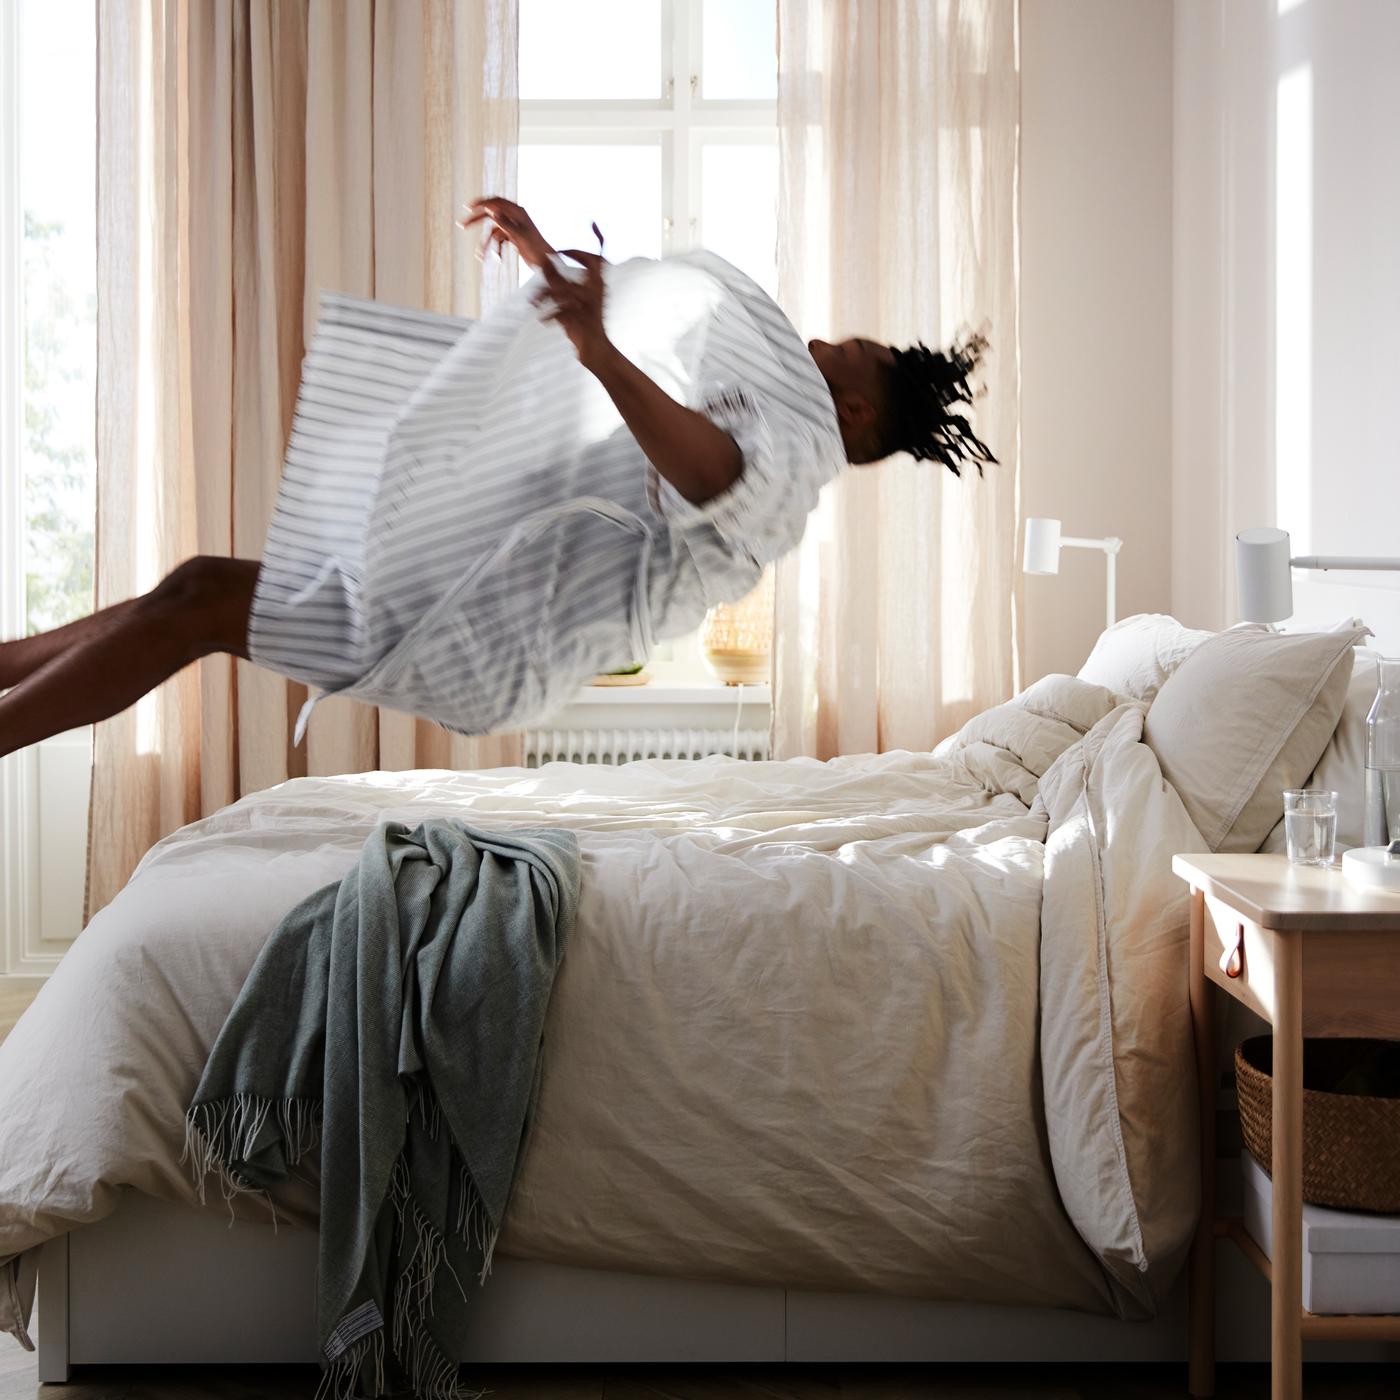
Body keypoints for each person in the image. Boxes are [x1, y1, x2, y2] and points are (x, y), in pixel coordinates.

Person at [0, 198, 994, 758]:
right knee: (198, 585)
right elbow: (652, 405)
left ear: (855, 410)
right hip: (465, 590)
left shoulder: (791, 471)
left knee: (201, 603)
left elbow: (708, 478)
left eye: (843, 351)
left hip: (485, 636)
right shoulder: (763, 414)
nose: (817, 339)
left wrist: (599, 351)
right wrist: (545, 270)